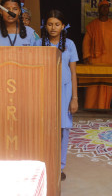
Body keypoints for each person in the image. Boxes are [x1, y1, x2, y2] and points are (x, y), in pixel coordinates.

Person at [34, 10, 79, 181]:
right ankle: (44, 163)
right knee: (43, 128)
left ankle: (59, 167)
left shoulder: (70, 44)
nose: (53, 28)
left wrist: (75, 98)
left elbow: (74, 73)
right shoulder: (38, 44)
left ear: (63, 26)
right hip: (43, 90)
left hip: (65, 91)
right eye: (50, 24)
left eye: (57, 24)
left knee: (62, 128)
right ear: (45, 25)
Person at [82, 0, 112, 109]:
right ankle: (90, 108)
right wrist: (86, 56)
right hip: (94, 61)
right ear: (98, 9)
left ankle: (103, 108)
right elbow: (86, 43)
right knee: (93, 87)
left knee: (107, 86)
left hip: (110, 61)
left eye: (107, 7)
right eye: (102, 7)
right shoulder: (92, 25)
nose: (105, 9)